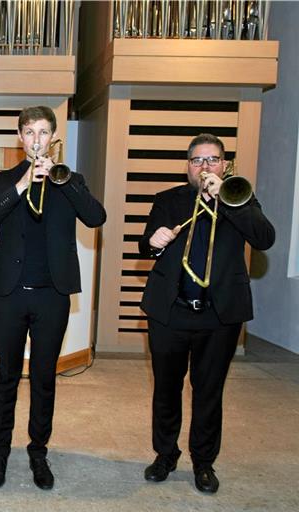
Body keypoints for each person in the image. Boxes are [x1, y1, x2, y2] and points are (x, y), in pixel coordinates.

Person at [0, 106, 106, 490]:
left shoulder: (70, 180)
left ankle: (38, 452)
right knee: (6, 377)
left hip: (53, 297)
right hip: (9, 296)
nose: (36, 139)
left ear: (53, 137)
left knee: (44, 378)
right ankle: (0, 453)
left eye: (43, 132)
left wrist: (63, 182)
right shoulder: (2, 180)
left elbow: (96, 218)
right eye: (29, 132)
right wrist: (20, 186)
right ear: (19, 137)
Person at [139, 133, 275, 493]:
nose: (204, 167)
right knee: (166, 390)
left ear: (225, 165)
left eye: (212, 160)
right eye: (197, 161)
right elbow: (146, 242)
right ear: (188, 167)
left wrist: (229, 201)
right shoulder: (169, 200)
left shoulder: (240, 199)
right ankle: (165, 455)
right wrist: (152, 242)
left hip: (218, 317)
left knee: (208, 392)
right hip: (171, 312)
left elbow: (264, 238)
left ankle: (203, 463)